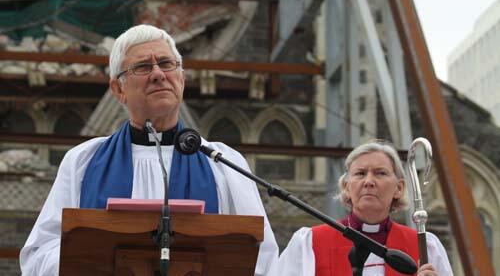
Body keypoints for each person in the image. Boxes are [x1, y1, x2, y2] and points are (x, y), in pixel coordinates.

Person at [20, 24, 278, 276]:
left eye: (166, 64)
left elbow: (262, 255)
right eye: (143, 67)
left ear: (182, 79)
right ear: (118, 89)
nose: (158, 74)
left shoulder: (221, 162)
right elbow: (39, 252)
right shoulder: (84, 161)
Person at [272, 140, 452, 276]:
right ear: (346, 187)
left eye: (380, 173)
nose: (369, 182)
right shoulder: (309, 243)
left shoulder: (426, 247)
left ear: (399, 188)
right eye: (360, 173)